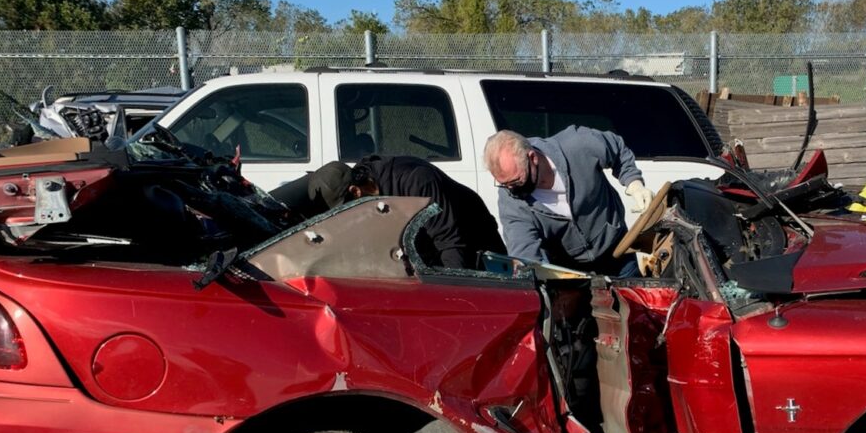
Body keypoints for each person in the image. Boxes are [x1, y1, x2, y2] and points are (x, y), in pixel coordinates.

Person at [273, 156, 505, 270]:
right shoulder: (366, 190)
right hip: (432, 248)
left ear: (355, 190)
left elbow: (451, 243)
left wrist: (447, 298)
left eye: (345, 208)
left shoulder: (416, 183)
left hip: (475, 245)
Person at [484, 126, 654, 277]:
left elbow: (617, 149)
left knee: (639, 309)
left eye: (516, 181)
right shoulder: (510, 201)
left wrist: (634, 184)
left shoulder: (577, 145)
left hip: (618, 253)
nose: (512, 189)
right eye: (504, 184)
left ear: (533, 158)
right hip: (569, 273)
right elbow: (524, 253)